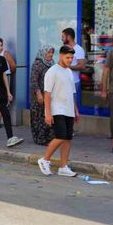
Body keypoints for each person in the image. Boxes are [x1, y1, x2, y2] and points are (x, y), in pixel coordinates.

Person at [37, 46, 79, 177]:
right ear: (61, 56)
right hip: (57, 109)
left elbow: (72, 93)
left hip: (69, 109)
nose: (70, 60)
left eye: (72, 58)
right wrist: (48, 113)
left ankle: (63, 166)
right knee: (60, 136)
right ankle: (45, 160)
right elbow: (47, 94)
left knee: (67, 138)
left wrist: (76, 110)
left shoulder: (69, 72)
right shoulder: (52, 71)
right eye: (68, 57)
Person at [30, 46, 55, 145]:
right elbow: (34, 80)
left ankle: (50, 137)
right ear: (43, 53)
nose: (50, 55)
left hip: (49, 95)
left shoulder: (52, 64)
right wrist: (39, 94)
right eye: (48, 52)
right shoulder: (38, 64)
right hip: (39, 95)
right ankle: (40, 139)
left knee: (48, 115)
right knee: (39, 117)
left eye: (52, 53)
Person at [61, 28, 86, 98]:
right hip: (63, 81)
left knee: (71, 105)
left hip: (73, 82)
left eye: (63, 36)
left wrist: (68, 67)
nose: (61, 39)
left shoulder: (78, 49)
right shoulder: (64, 48)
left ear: (68, 37)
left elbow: (82, 66)